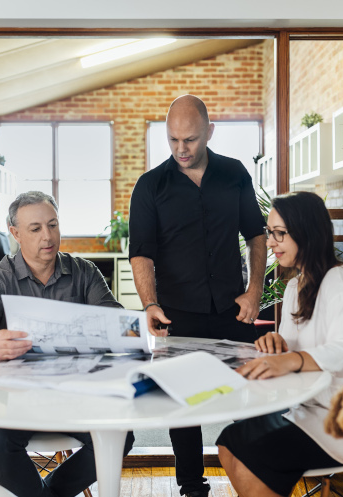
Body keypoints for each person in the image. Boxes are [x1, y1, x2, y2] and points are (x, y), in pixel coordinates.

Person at [128, 94, 267, 497]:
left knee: (252, 391)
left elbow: (256, 234)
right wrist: (150, 304)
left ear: (209, 132)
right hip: (178, 313)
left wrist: (255, 290)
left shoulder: (235, 173)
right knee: (181, 403)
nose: (181, 149)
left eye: (189, 139)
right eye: (172, 140)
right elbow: (141, 253)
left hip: (232, 309)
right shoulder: (150, 185)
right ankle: (191, 486)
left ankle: (256, 473)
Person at [216, 192, 343, 497]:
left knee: (251, 452)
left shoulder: (339, 280)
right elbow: (291, 346)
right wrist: (277, 343)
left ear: (307, 232)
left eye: (279, 234)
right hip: (312, 407)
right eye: (269, 232)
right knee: (229, 443)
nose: (270, 242)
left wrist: (291, 359)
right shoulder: (295, 286)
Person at [0, 191, 135, 497]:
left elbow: (114, 319)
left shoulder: (84, 272)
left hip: (74, 390)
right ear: (15, 233)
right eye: (36, 228)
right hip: (14, 395)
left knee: (121, 433)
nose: (48, 236)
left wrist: (135, 326)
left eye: (53, 225)